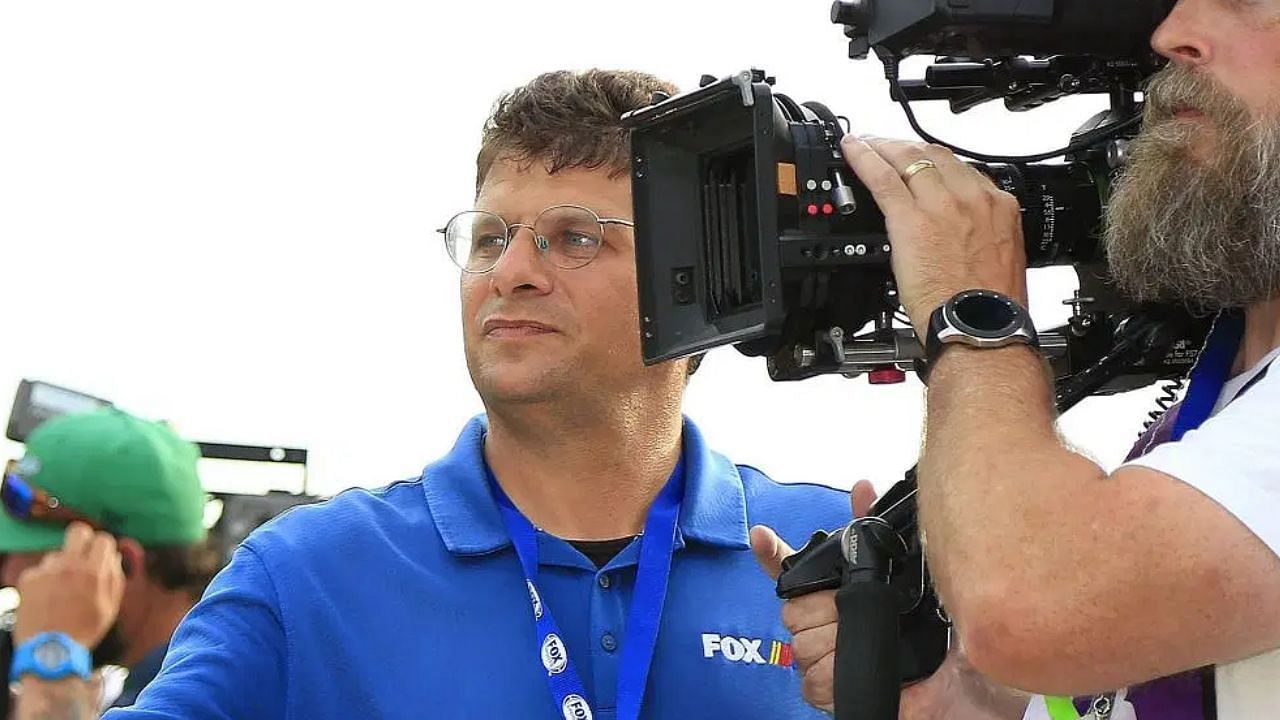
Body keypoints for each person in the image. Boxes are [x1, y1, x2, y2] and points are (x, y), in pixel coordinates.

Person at [8, 69, 856, 720]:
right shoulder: (305, 576)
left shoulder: (842, 556)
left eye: (574, 238)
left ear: (693, 286)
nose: (512, 272)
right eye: (490, 237)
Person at [756, 0, 1280, 717]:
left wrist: (971, 309)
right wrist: (972, 701)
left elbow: (1031, 606)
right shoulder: (1233, 386)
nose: (1168, 35)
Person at [1, 408, 219, 715]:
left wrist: (50, 661)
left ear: (124, 564)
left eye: (41, 569)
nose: (9, 577)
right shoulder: (191, 669)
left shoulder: (200, 700)